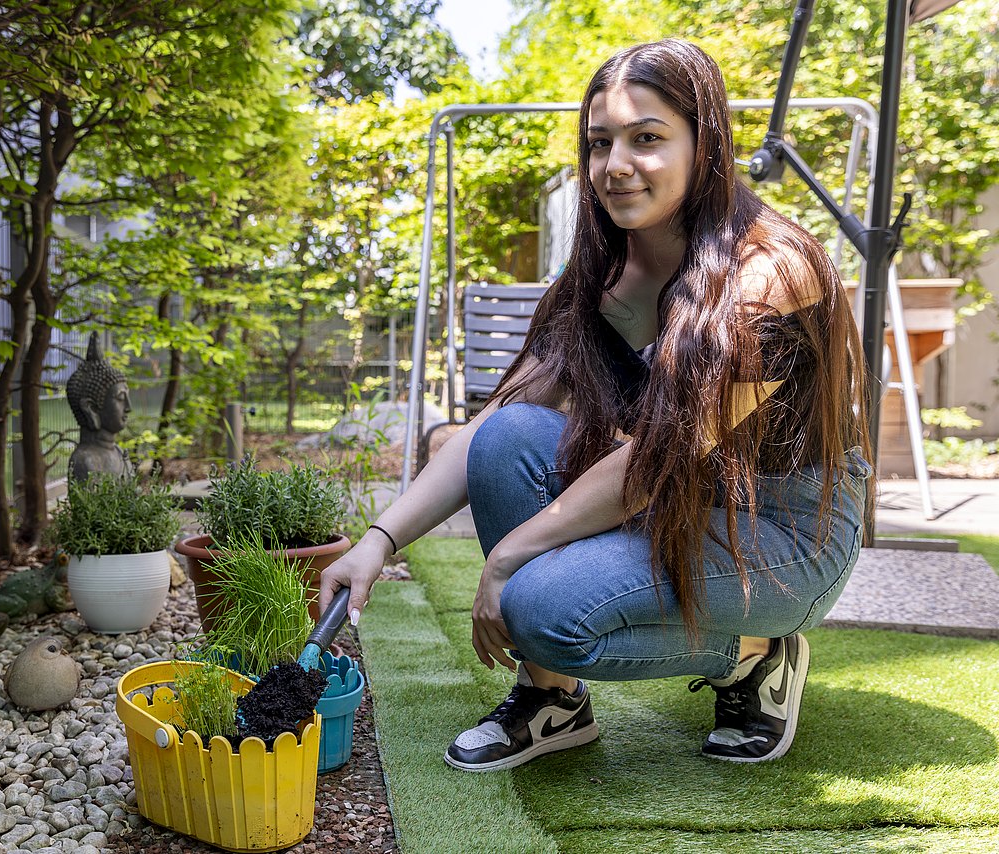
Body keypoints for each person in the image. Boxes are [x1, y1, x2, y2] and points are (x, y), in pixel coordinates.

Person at [318, 39, 873, 771]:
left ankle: (755, 652)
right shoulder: (605, 269)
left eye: (647, 139)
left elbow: (656, 461)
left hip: (785, 529)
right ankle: (553, 698)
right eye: (599, 142)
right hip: (680, 496)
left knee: (538, 605)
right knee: (511, 434)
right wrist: (377, 541)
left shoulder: (772, 276)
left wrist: (511, 559)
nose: (615, 165)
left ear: (705, 144)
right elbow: (494, 427)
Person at [66, 333, 134, 483]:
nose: (128, 407)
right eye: (121, 398)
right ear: (92, 409)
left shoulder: (120, 454)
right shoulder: (84, 461)